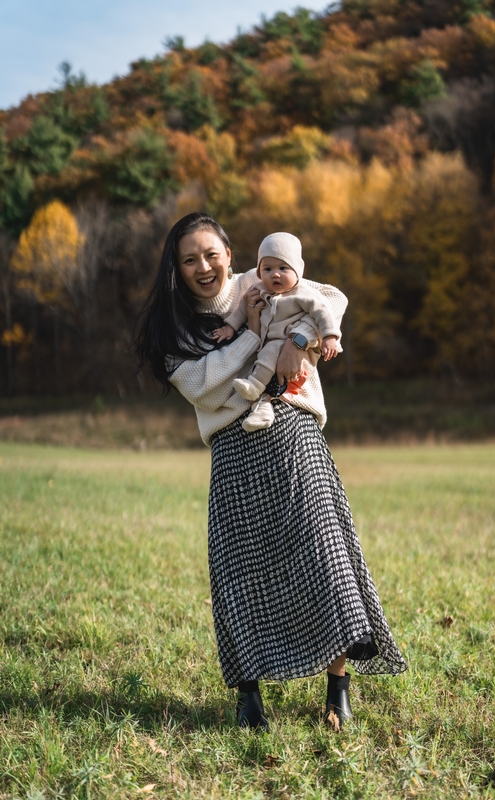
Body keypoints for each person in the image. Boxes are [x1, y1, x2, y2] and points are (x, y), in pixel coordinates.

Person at [135, 212, 407, 732]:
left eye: (212, 254)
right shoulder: (171, 325)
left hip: (292, 429)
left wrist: (297, 340)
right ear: (176, 266)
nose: (203, 266)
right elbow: (204, 384)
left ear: (230, 255)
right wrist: (257, 337)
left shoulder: (258, 280)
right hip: (234, 449)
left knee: (323, 551)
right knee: (239, 571)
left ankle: (338, 688)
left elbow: (335, 298)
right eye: (189, 259)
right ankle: (249, 697)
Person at [211, 231, 341, 432]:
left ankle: (254, 386)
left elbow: (324, 312)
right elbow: (242, 310)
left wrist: (330, 336)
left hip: (291, 350)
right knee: (264, 362)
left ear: (298, 271)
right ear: (259, 271)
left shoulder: (303, 294)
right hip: (267, 349)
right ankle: (261, 411)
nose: (275, 274)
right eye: (268, 268)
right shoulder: (258, 289)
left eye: (283, 268)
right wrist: (230, 327)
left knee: (269, 353)